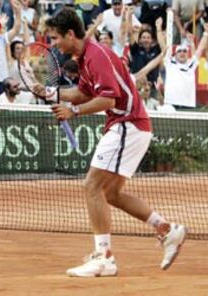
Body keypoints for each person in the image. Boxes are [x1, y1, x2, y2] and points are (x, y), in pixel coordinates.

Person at [44, 8, 186, 277]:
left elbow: (108, 100)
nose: (53, 44)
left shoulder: (96, 55)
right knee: (111, 194)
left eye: (54, 38)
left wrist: (72, 112)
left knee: (92, 186)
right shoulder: (86, 57)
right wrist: (53, 92)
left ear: (70, 34)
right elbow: (84, 92)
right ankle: (167, 230)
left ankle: (104, 257)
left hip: (127, 124)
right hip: (131, 126)